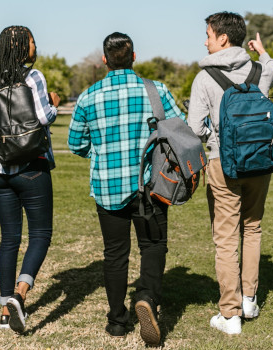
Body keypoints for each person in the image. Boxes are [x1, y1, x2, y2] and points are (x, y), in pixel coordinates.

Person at [67, 32, 184, 346]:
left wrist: (101, 152)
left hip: (108, 187)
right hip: (151, 185)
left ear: (104, 60)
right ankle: (146, 298)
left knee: (115, 255)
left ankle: (118, 322)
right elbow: (179, 129)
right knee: (153, 246)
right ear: (134, 57)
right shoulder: (156, 90)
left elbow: (75, 144)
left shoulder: (89, 96)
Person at [186, 12, 273, 335]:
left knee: (225, 238)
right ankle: (249, 299)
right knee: (252, 228)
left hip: (222, 164)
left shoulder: (205, 78)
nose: (205, 40)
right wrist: (262, 51)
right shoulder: (259, 70)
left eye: (209, 35)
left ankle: (230, 313)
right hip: (260, 162)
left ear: (222, 38)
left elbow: (195, 128)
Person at [0, 25, 61, 334]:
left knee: (9, 238)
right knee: (40, 234)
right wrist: (54, 102)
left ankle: (3, 312)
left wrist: (3, 132)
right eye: (33, 41)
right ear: (24, 48)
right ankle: (20, 296)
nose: (36, 46)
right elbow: (42, 118)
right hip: (31, 167)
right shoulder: (33, 77)